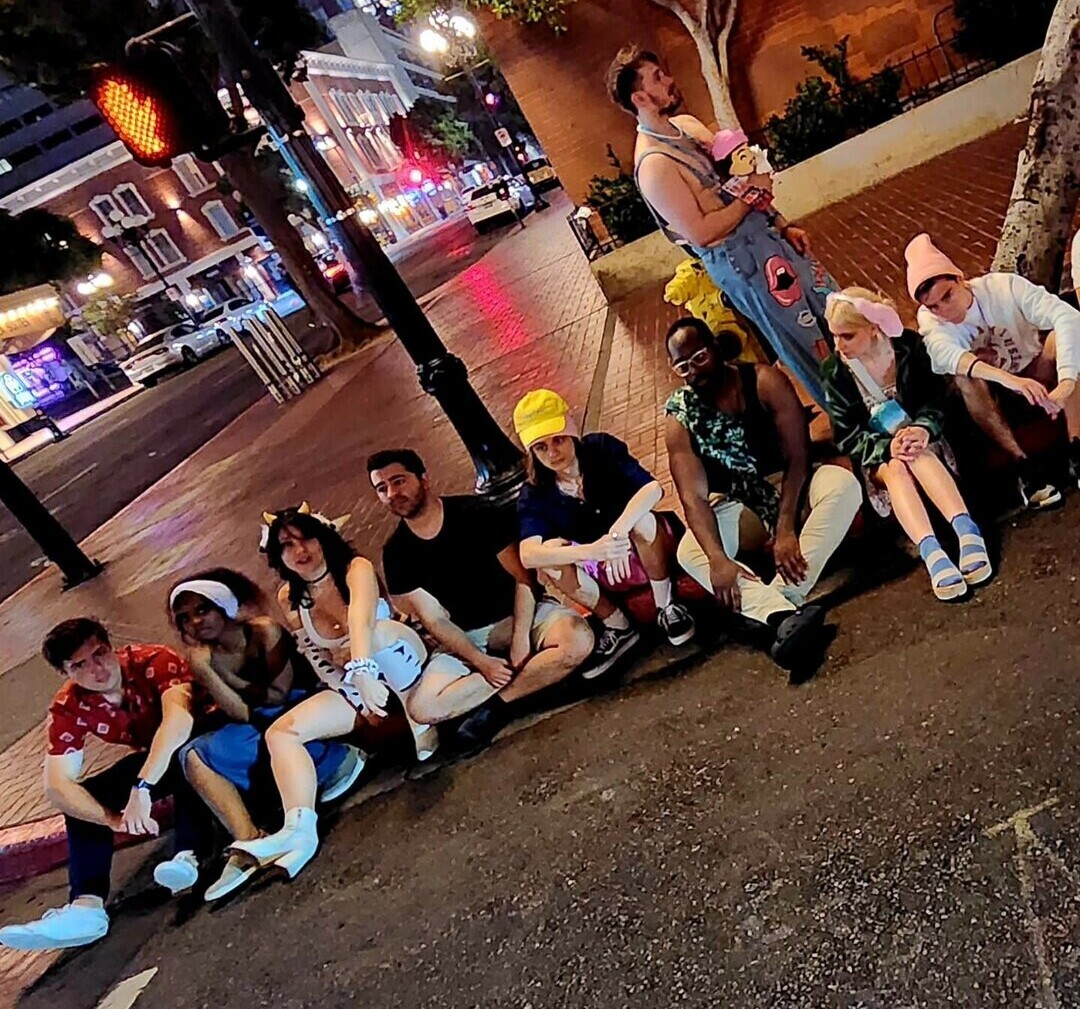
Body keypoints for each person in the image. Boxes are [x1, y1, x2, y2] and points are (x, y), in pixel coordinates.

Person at [608, 46, 838, 407]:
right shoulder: (654, 166)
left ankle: (887, 390)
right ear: (639, 98)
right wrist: (752, 197)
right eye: (657, 78)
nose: (669, 80)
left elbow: (736, 176)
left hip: (768, 237)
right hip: (742, 261)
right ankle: (856, 420)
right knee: (809, 343)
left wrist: (780, 222)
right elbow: (700, 232)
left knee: (838, 310)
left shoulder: (686, 127)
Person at [227, 505, 435, 882]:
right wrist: (354, 692)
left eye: (306, 538)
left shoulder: (355, 568)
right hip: (357, 686)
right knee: (280, 733)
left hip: (401, 660)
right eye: (287, 545)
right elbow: (318, 659)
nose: (300, 550)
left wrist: (362, 668)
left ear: (324, 537)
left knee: (377, 637)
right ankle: (299, 828)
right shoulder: (290, 597)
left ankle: (422, 723)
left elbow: (361, 621)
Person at [663, 318, 862, 672]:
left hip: (790, 485)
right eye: (682, 366)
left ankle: (770, 607)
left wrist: (785, 528)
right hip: (739, 502)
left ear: (716, 348)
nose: (693, 372)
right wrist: (717, 559)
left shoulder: (764, 381)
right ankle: (782, 614)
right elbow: (693, 498)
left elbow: (798, 457)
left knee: (843, 487)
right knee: (689, 551)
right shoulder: (680, 416)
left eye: (699, 358)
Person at [368, 449, 595, 749]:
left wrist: (520, 641)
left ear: (424, 478)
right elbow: (435, 619)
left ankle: (497, 707)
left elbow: (524, 579)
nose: (392, 494)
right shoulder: (396, 553)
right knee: (422, 709)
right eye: (381, 488)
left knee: (578, 640)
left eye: (399, 481)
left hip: (519, 616)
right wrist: (481, 662)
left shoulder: (477, 512)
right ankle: (536, 679)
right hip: (467, 638)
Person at [0, 619, 206, 951]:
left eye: (99, 654)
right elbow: (57, 785)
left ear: (111, 647)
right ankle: (87, 905)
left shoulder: (153, 661)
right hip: (156, 757)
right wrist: (111, 819)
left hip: (210, 734)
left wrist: (142, 787)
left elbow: (179, 721)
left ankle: (189, 853)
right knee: (85, 798)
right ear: (65, 673)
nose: (97, 669)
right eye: (79, 665)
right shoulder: (70, 705)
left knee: (184, 753)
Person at [167, 569, 364, 901]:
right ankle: (248, 840)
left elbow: (276, 695)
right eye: (185, 618)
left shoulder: (264, 631)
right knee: (192, 753)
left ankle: (331, 769)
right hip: (256, 723)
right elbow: (241, 714)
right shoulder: (204, 659)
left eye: (202, 609)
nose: (196, 622)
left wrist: (223, 674)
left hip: (303, 712)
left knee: (275, 734)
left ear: (224, 604)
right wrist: (207, 673)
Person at [822, 290, 992, 601]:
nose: (838, 345)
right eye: (834, 335)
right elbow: (847, 435)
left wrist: (923, 428)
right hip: (879, 456)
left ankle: (967, 533)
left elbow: (937, 398)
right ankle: (932, 552)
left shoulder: (908, 346)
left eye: (847, 336)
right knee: (897, 466)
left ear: (873, 328)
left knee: (916, 453)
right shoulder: (835, 371)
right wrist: (887, 447)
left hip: (925, 441)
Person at [512, 389, 696, 659]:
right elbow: (529, 554)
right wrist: (591, 551)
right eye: (541, 447)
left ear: (571, 430)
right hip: (602, 567)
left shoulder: (601, 448)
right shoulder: (534, 492)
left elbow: (652, 489)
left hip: (647, 548)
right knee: (550, 556)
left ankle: (666, 606)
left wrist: (617, 533)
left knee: (642, 520)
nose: (552, 453)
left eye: (558, 439)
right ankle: (618, 625)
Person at [905, 232, 1080, 505]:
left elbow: (1067, 315)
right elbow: (944, 356)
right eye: (934, 306)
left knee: (1064, 338)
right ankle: (1024, 468)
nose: (944, 311)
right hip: (995, 394)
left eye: (947, 296)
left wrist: (1066, 381)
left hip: (1035, 370)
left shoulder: (1002, 287)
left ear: (960, 279)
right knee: (964, 376)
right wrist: (1010, 380)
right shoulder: (930, 320)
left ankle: (1076, 446)